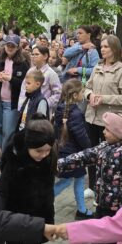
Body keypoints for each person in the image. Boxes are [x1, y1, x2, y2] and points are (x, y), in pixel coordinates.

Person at [58, 112, 122, 244]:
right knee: (96, 240)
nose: (103, 131)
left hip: (117, 210)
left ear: (118, 132)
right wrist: (58, 164)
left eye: (107, 129)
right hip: (101, 204)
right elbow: (83, 156)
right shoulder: (104, 146)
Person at [84, 35, 122, 194]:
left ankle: (106, 188)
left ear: (114, 49)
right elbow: (87, 87)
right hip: (91, 117)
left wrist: (103, 99)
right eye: (102, 46)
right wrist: (89, 95)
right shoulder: (97, 67)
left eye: (106, 47)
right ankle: (92, 186)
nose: (102, 49)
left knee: (108, 156)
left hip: (109, 121)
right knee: (92, 152)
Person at [0, 117, 57, 244]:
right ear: (28, 145)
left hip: (37, 220)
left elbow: (48, 195)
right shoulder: (14, 160)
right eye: (39, 151)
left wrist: (48, 221)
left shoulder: (48, 159)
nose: (44, 155)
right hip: (14, 218)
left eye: (47, 150)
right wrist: (0, 216)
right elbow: (3, 191)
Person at [54, 79, 93, 220]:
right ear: (75, 95)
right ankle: (44, 198)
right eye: (82, 92)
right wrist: (89, 148)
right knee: (67, 181)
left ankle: (82, 210)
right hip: (73, 153)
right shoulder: (75, 113)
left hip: (64, 150)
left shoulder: (60, 108)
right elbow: (80, 135)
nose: (83, 94)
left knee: (79, 179)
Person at [0, 34, 30, 149]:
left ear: (18, 47)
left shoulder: (23, 63)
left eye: (13, 46)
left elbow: (25, 84)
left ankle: (5, 156)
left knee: (8, 132)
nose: (10, 48)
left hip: (11, 103)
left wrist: (11, 79)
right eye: (8, 45)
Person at [19, 45, 61, 114]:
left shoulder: (51, 74)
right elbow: (23, 90)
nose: (33, 57)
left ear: (45, 56)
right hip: (27, 110)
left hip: (41, 112)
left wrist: (44, 104)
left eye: (37, 54)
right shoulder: (30, 71)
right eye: (32, 54)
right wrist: (21, 105)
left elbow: (57, 93)